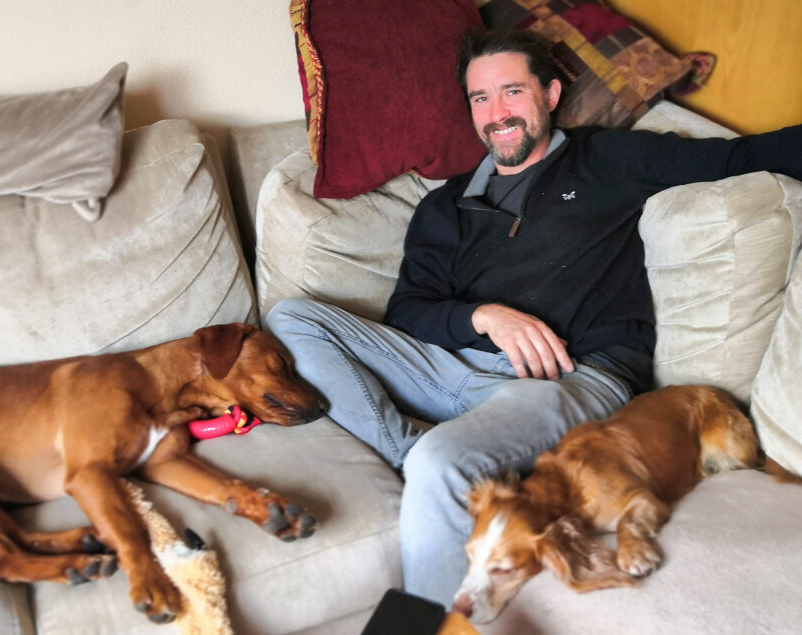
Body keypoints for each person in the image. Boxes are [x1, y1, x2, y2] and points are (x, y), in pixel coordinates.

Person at [265, 29, 802, 607]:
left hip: (569, 378)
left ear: (549, 95)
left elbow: (744, 155)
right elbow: (408, 312)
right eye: (481, 99)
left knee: (443, 460)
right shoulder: (444, 206)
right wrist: (485, 317)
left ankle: (423, 615)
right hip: (453, 372)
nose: (497, 114)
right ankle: (406, 453)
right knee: (294, 318)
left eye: (512, 92)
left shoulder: (608, 160)